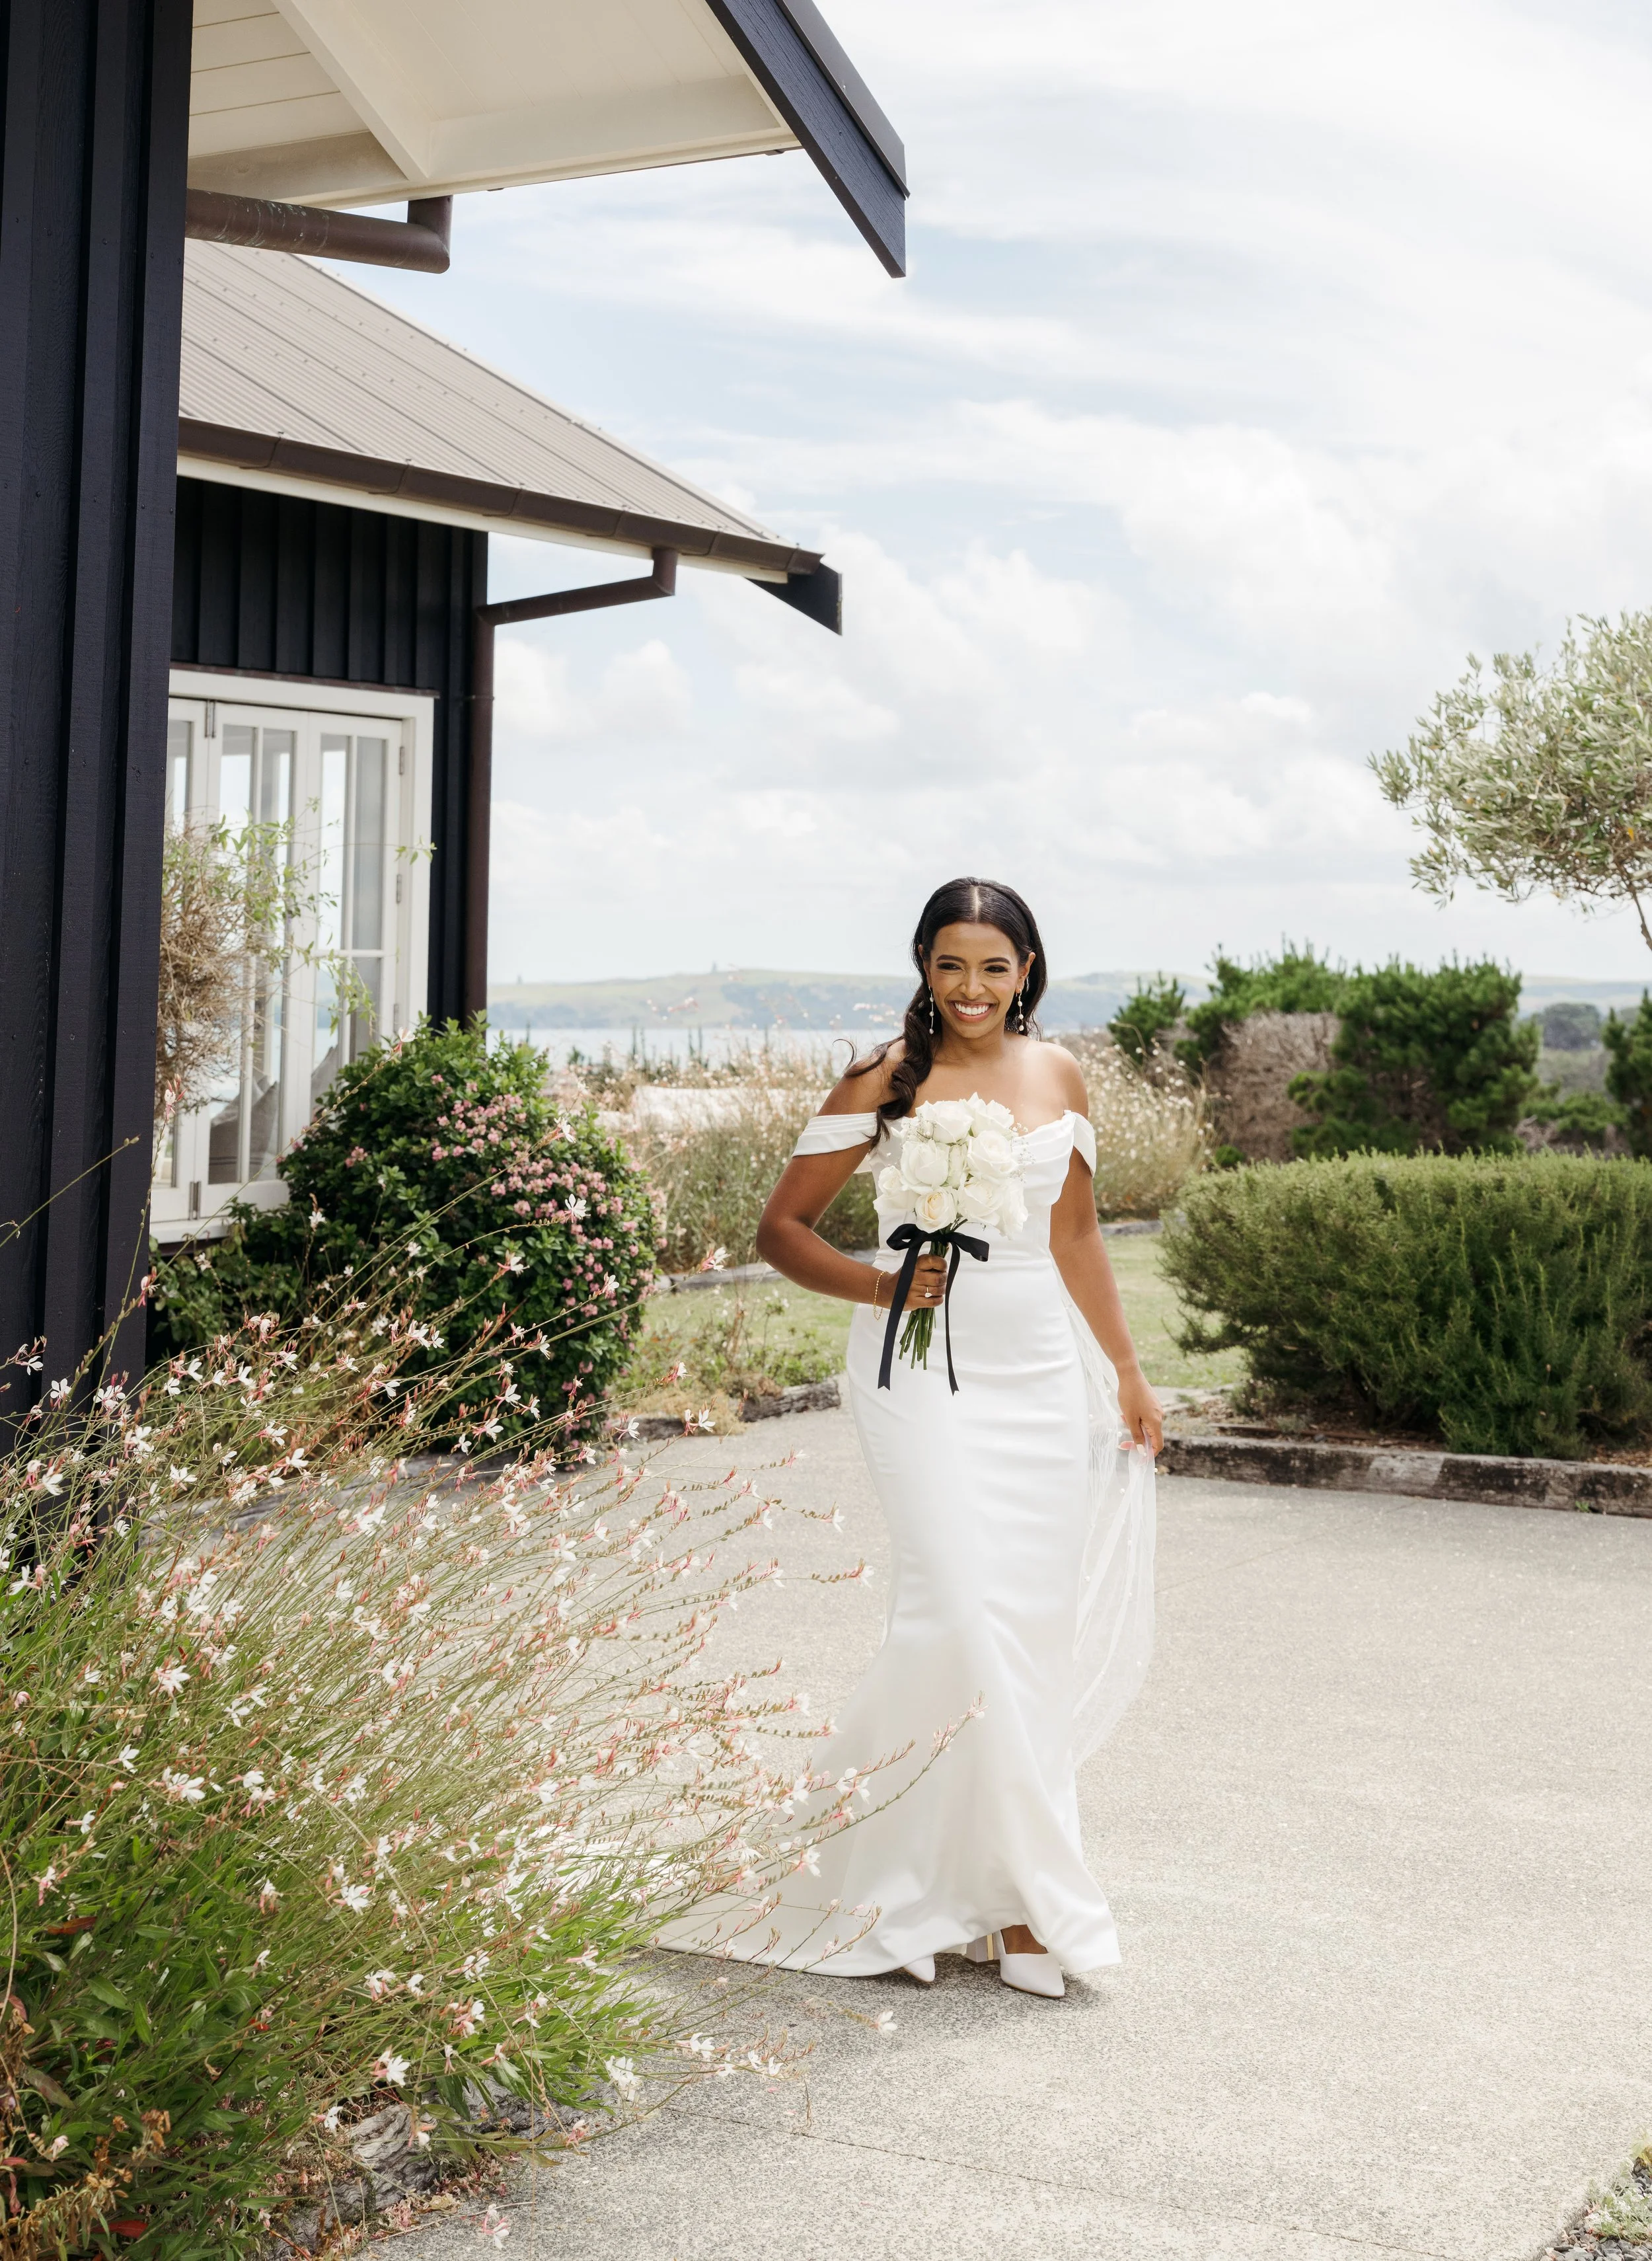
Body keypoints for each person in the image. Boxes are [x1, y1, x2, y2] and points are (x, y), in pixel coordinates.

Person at [669, 877, 1160, 1999]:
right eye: (951, 965)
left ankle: (1011, 1904)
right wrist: (885, 1284)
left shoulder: (1061, 1075)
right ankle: (942, 1890)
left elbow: (1077, 1236)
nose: (972, 988)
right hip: (916, 1369)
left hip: (1036, 1368)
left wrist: (1126, 1371)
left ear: (1028, 970)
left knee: (1024, 1629)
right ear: (923, 967)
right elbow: (782, 1231)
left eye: (995, 966)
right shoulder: (885, 1075)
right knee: (953, 1608)